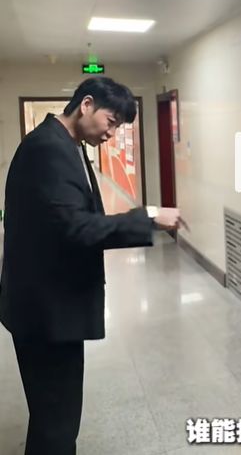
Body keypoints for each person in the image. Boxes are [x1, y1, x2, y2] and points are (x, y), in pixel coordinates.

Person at [0, 77, 186, 455]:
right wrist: (148, 217)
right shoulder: (48, 149)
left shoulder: (68, 144)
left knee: (56, 415)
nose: (112, 133)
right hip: (45, 311)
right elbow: (77, 227)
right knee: (56, 422)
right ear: (86, 105)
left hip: (54, 306)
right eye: (111, 121)